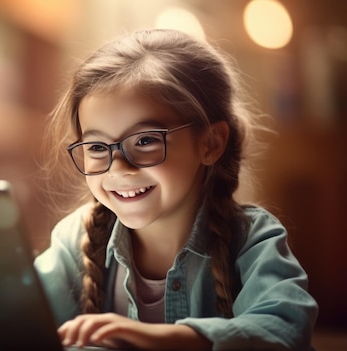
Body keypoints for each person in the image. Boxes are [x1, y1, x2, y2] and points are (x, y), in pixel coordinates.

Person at [34, 29, 318, 350]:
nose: (118, 168)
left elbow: (285, 330)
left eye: (145, 141)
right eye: (98, 146)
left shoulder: (251, 237)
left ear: (210, 143)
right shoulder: (76, 238)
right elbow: (17, 324)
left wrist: (155, 339)